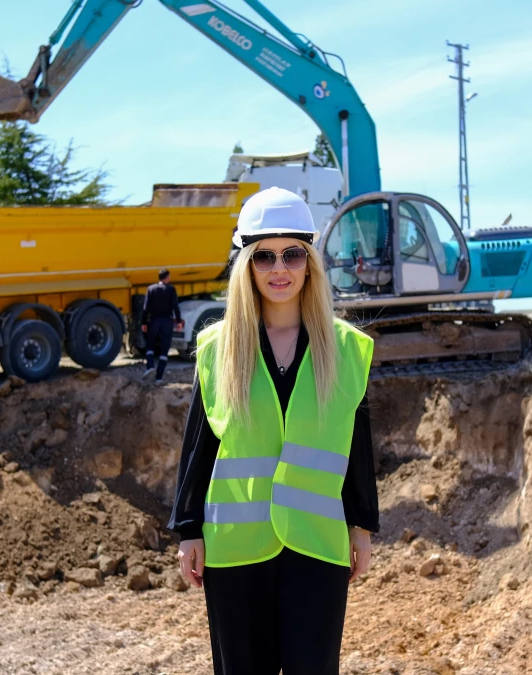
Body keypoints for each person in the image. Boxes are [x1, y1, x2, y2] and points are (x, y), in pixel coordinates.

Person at [168, 187, 380, 675]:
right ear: (246, 265)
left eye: (291, 254)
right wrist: (187, 529)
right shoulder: (218, 348)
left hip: (317, 544)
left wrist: (362, 527)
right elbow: (200, 445)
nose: (278, 268)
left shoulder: (347, 349)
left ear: (310, 262)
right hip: (235, 548)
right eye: (263, 256)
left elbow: (358, 445)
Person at [141, 268, 184, 383]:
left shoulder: (151, 289)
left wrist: (144, 322)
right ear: (167, 278)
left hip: (154, 321)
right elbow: (175, 306)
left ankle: (150, 366)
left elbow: (146, 308)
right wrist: (179, 321)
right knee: (164, 349)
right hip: (167, 322)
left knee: (150, 345)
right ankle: (159, 378)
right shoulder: (171, 289)